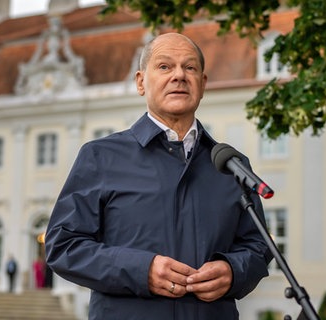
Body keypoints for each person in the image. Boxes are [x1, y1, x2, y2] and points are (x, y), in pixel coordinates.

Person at [45, 32, 272, 319]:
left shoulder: (232, 165)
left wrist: (233, 271)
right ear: (141, 82)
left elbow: (259, 246)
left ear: (202, 85)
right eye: (165, 66)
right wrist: (142, 270)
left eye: (190, 67)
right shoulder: (100, 156)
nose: (179, 75)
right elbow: (63, 246)